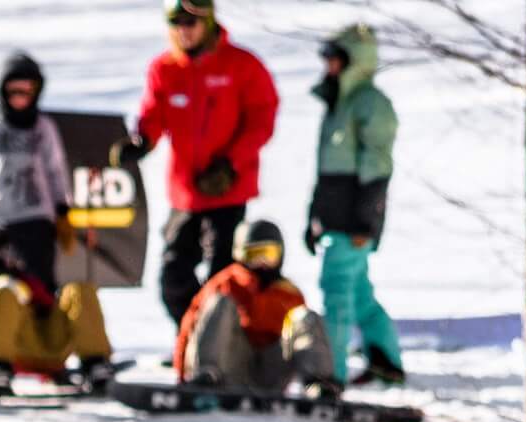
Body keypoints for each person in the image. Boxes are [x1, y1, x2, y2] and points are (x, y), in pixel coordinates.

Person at [112, 0, 279, 324]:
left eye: (190, 22)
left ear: (209, 21)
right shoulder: (165, 69)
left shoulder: (241, 65)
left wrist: (230, 163)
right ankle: (193, 336)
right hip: (186, 193)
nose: (183, 31)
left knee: (222, 277)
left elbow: (262, 118)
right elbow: (153, 114)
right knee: (173, 277)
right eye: (176, 23)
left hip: (227, 189)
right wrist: (142, 142)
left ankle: (223, 339)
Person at [306, 23, 403, 386]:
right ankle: (386, 360)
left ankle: (331, 373)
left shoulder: (369, 104)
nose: (328, 65)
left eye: (335, 58)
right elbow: (326, 169)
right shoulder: (339, 103)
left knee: (336, 294)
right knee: (359, 295)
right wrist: (313, 216)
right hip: (334, 217)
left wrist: (366, 219)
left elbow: (377, 165)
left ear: (354, 61)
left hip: (353, 220)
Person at [172, 220, 335, 392]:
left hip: (272, 369)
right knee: (220, 303)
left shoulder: (289, 293)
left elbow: (307, 338)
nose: (262, 262)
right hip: (231, 365)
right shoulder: (226, 282)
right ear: (240, 255)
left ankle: (318, 384)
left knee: (304, 317)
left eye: (268, 254)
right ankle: (204, 376)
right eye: (253, 255)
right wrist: (182, 377)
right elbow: (190, 325)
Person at [0, 220, 113, 398]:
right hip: (9, 352)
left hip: (35, 344)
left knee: (78, 291)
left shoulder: (16, 278)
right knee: (4, 292)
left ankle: (95, 362)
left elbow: (46, 303)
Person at [0, 51, 73, 296]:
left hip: (35, 217)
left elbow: (55, 169)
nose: (20, 98)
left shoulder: (43, 128)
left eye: (26, 91)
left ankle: (43, 314)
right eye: (14, 91)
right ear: (2, 91)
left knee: (39, 279)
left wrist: (62, 209)